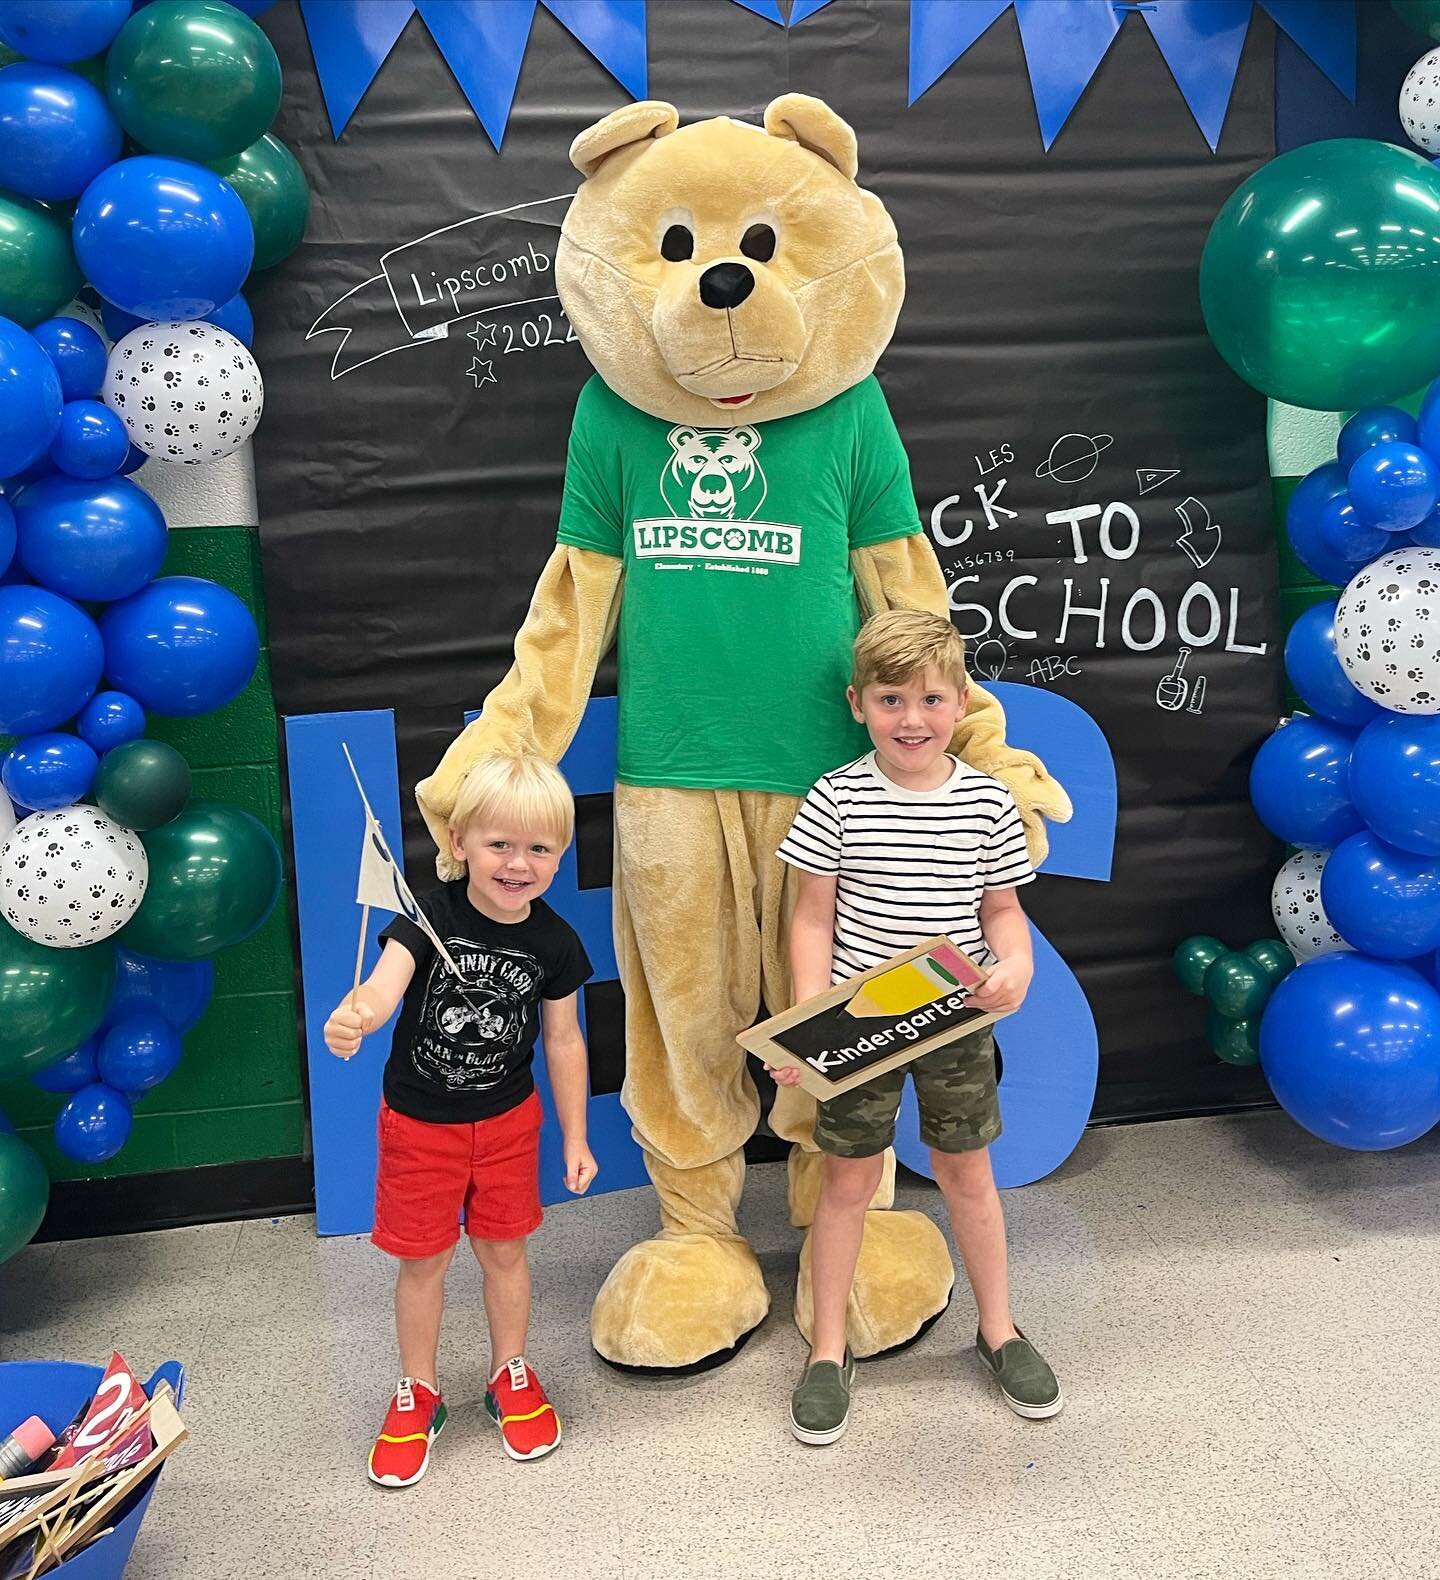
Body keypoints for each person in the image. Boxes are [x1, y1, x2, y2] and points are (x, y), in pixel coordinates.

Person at [771, 608, 1062, 1445]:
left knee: (968, 1172)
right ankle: (829, 1349)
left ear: (962, 702)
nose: (912, 719)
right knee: (848, 1179)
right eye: (892, 700)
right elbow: (810, 921)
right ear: (858, 702)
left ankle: (999, 1329)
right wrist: (807, 1023)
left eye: (932, 700)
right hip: (859, 1025)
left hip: (957, 1021)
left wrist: (1019, 963)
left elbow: (1002, 912)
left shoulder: (987, 802)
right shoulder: (836, 797)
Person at [324, 753, 598, 1484]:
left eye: (539, 848)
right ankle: (419, 1389)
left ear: (560, 855)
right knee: (425, 1263)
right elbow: (386, 985)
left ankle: (509, 1372)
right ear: (458, 843)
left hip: (509, 1126)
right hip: (420, 1128)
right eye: (499, 844)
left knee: (506, 1254)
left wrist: (575, 1135)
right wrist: (358, 1015)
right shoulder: (426, 914)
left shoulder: (556, 942)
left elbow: (566, 1040)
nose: (518, 863)